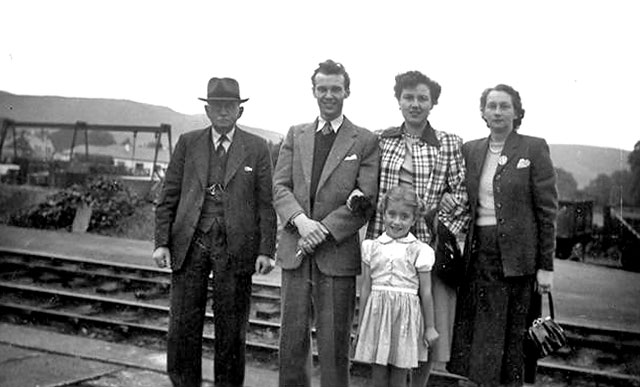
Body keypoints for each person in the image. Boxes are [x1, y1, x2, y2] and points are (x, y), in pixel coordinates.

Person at [152, 77, 277, 387]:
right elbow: (168, 194)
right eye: (218, 107)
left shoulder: (257, 147)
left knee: (232, 329)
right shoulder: (188, 142)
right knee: (182, 325)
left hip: (236, 246)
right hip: (190, 242)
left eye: (230, 106)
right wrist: (161, 243)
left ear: (240, 111)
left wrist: (265, 250)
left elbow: (266, 202)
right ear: (207, 110)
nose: (223, 112)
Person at [273, 59, 380, 387]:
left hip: (336, 255)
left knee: (334, 347)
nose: (329, 95)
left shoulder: (364, 141)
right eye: (323, 89)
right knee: (291, 342)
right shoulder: (296, 134)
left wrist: (322, 230)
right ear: (313, 91)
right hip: (296, 251)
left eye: (336, 89)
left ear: (347, 91)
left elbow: (365, 199)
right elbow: (280, 187)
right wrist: (301, 222)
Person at [447, 84, 557, 387]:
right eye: (491, 105)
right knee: (481, 336)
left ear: (517, 111)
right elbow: (458, 197)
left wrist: (545, 266)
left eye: (504, 106)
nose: (497, 111)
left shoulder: (533, 148)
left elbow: (547, 211)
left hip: (518, 261)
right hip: (478, 256)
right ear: (483, 112)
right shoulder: (470, 149)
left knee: (511, 342)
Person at [365, 70, 469, 386]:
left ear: (432, 103)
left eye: (422, 98)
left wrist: (440, 222)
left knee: (427, 330)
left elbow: (463, 194)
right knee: (385, 326)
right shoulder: (379, 138)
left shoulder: (449, 143)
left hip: (429, 250)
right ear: (398, 101)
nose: (415, 104)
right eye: (408, 97)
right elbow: (368, 187)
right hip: (385, 247)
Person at [354, 186, 439, 387]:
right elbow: (366, 287)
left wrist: (430, 327)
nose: (396, 221)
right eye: (391, 214)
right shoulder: (371, 247)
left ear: (414, 219)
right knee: (378, 374)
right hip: (377, 317)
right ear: (383, 213)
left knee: (399, 376)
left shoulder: (420, 250)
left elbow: (426, 292)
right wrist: (361, 324)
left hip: (405, 319)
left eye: (404, 216)